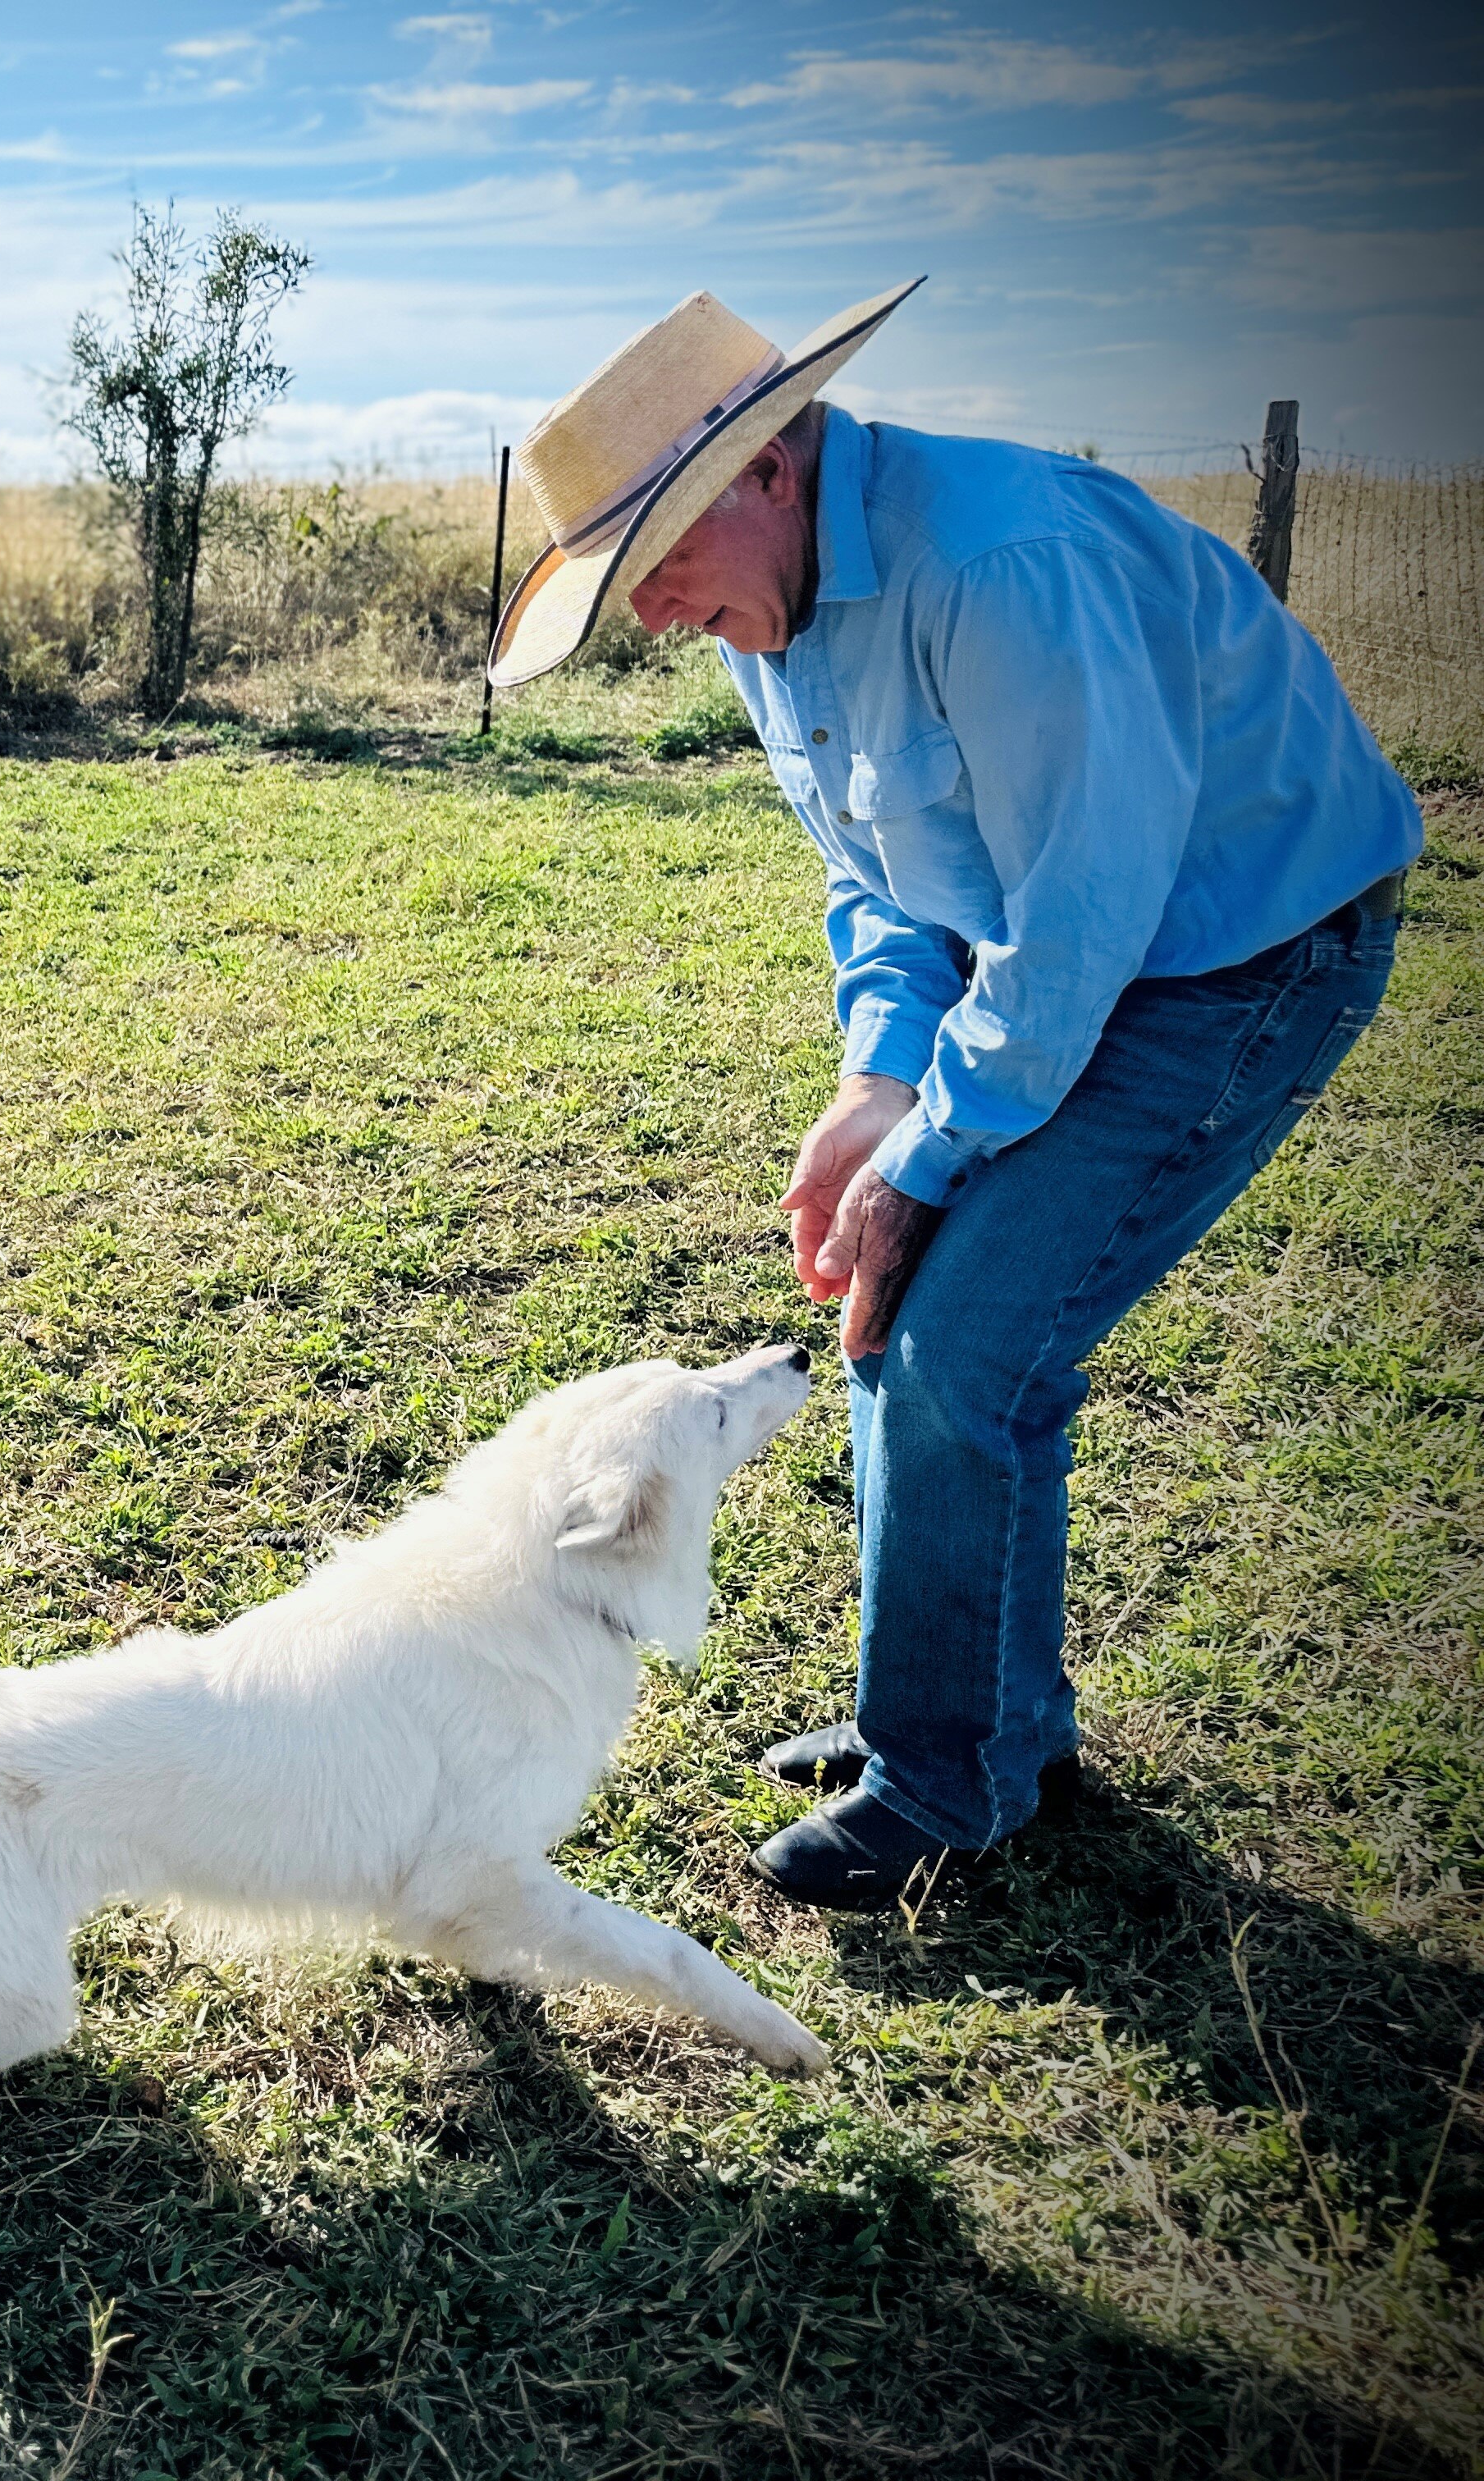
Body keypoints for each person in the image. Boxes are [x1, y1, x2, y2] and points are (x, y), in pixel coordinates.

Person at [484, 281, 1422, 1910]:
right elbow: (886, 881)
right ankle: (993, 1728)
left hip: (1243, 951)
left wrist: (924, 1162)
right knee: (925, 1328)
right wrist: (876, 1083)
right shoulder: (757, 618)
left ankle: (946, 1780)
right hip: (1086, 961)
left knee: (952, 1343)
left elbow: (1079, 924)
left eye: (656, 569)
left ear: (765, 469)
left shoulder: (996, 565)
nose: (647, 618)